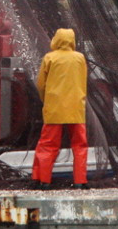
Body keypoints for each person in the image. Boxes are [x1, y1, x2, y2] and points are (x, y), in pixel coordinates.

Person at [32, 28, 89, 189]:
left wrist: (46, 101)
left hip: (54, 108)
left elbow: (41, 84)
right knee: (80, 146)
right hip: (76, 108)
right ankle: (80, 181)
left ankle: (44, 181)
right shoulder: (80, 58)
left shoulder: (50, 58)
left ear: (56, 39)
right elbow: (83, 82)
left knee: (47, 145)